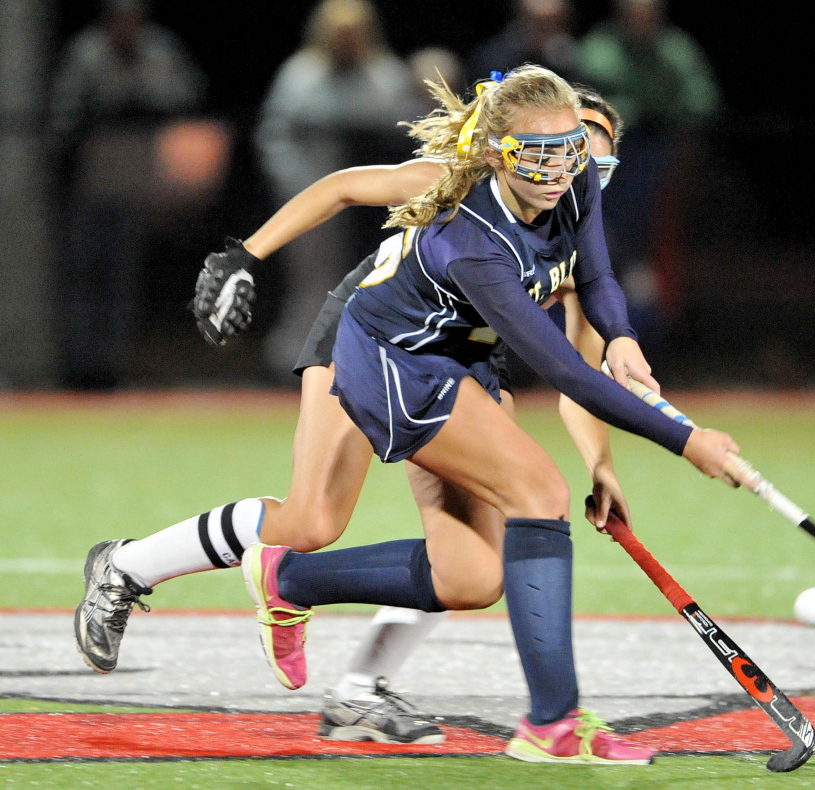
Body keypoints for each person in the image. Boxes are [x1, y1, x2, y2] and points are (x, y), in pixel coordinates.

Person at [74, 83, 636, 747]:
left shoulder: (578, 253)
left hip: (464, 371)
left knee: (473, 574)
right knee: (310, 520)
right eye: (561, 157)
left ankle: (356, 694)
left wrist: (602, 465)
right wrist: (246, 253)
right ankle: (127, 567)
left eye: (592, 169)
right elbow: (343, 187)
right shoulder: (464, 185)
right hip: (372, 339)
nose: (570, 180)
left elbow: (582, 375)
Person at [240, 64, 740, 765]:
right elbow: (564, 370)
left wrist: (621, 336)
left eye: (571, 151)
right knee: (540, 492)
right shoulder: (474, 236)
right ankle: (552, 725)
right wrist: (688, 442)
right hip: (391, 361)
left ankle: (287, 579)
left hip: (458, 362)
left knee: (473, 576)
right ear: (498, 154)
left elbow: (595, 278)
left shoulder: (575, 179)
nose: (562, 169)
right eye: (539, 155)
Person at [255, 0, 418, 383]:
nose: (346, 41)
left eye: (353, 33)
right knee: (314, 281)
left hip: (379, 204)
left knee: (382, 278)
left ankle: (377, 364)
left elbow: (412, 134)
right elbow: (274, 136)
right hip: (317, 195)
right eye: (338, 33)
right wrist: (297, 187)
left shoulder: (386, 75)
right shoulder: (301, 75)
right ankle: (295, 366)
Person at [48, 0, 207, 389]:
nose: (126, 27)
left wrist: (148, 105)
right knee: (86, 273)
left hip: (142, 173)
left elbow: (189, 96)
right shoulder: (88, 52)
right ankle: (81, 365)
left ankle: (113, 364)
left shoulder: (159, 50)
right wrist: (103, 111)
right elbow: (63, 117)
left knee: (125, 275)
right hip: (96, 173)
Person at [579, 0, 721, 375]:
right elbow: (586, 103)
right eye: (633, 17)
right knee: (601, 253)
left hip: (658, 165)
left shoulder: (676, 51)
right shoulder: (599, 49)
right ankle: (589, 355)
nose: (640, 25)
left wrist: (654, 115)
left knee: (651, 265)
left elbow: (702, 102)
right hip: (603, 166)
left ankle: (655, 354)